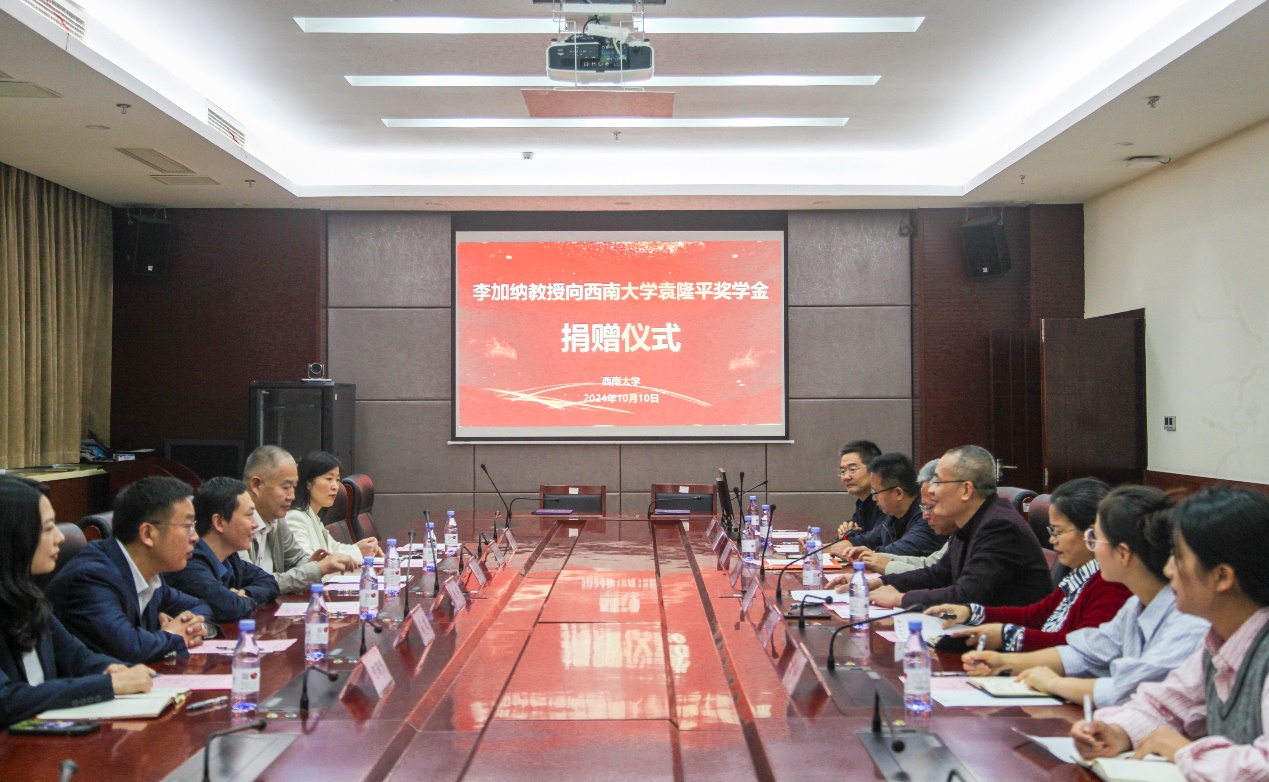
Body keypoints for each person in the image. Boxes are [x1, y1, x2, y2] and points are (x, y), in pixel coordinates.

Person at [1071, 486, 1269, 780]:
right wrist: (1116, 732)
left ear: (1222, 576)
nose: (1167, 570)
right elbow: (1164, 706)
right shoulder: (1218, 643)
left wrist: (1183, 751)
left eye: (1177, 557)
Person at [962, 486, 1209, 707]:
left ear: (1123, 554)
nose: (1093, 548)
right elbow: (1086, 652)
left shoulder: (1189, 621)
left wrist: (1054, 684)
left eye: (1095, 539)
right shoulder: (1136, 604)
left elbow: (1129, 691)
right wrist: (1003, 661)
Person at [0, 477, 155, 727]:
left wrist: (113, 669)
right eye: (48, 528)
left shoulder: (28, 597)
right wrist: (107, 684)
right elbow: (6, 701)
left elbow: (78, 657)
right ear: (12, 536)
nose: (60, 537)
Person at [926, 477, 1131, 651]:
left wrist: (1006, 636)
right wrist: (972, 613)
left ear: (1092, 533)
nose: (1052, 540)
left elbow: (1082, 650)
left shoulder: (1111, 584)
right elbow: (1036, 615)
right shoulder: (1080, 575)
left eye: (1059, 532)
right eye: (1051, 531)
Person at [857, 445, 1052, 609]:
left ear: (966, 490)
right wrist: (881, 582)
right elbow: (938, 574)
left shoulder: (999, 527)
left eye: (939, 482)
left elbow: (967, 595)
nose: (932, 490)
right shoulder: (970, 521)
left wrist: (901, 599)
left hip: (1009, 636)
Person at [45, 477, 212, 663]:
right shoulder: (91, 577)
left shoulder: (149, 574)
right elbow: (128, 648)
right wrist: (172, 636)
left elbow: (200, 606)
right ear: (147, 533)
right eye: (188, 526)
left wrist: (189, 627)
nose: (195, 537)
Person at [243, 445, 356, 594]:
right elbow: (252, 584)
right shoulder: (235, 523)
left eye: (294, 487)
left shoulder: (277, 520)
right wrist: (316, 569)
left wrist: (311, 564)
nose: (292, 496)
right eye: (285, 487)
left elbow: (297, 558)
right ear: (256, 485)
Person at [167, 477, 280, 622]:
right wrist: (240, 600)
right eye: (249, 515)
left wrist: (246, 593)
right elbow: (229, 607)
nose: (255, 524)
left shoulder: (230, 559)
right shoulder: (190, 563)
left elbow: (269, 582)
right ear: (219, 522)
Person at [826, 453, 945, 560]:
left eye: (875, 492)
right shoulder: (892, 517)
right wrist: (845, 542)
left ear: (898, 493)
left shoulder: (927, 517)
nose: (873, 498)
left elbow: (898, 552)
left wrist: (855, 552)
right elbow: (865, 540)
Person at [285, 451, 379, 560]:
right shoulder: (295, 518)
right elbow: (309, 562)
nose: (335, 486)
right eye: (329, 479)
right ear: (308, 483)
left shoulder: (313, 516)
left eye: (337, 480)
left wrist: (362, 547)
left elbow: (334, 548)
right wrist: (357, 552)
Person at [835, 440, 884, 536]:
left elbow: (876, 540)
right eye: (843, 471)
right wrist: (845, 535)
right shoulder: (862, 504)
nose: (846, 477)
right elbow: (852, 540)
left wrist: (851, 537)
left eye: (852, 469)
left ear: (873, 469)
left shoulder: (885, 503)